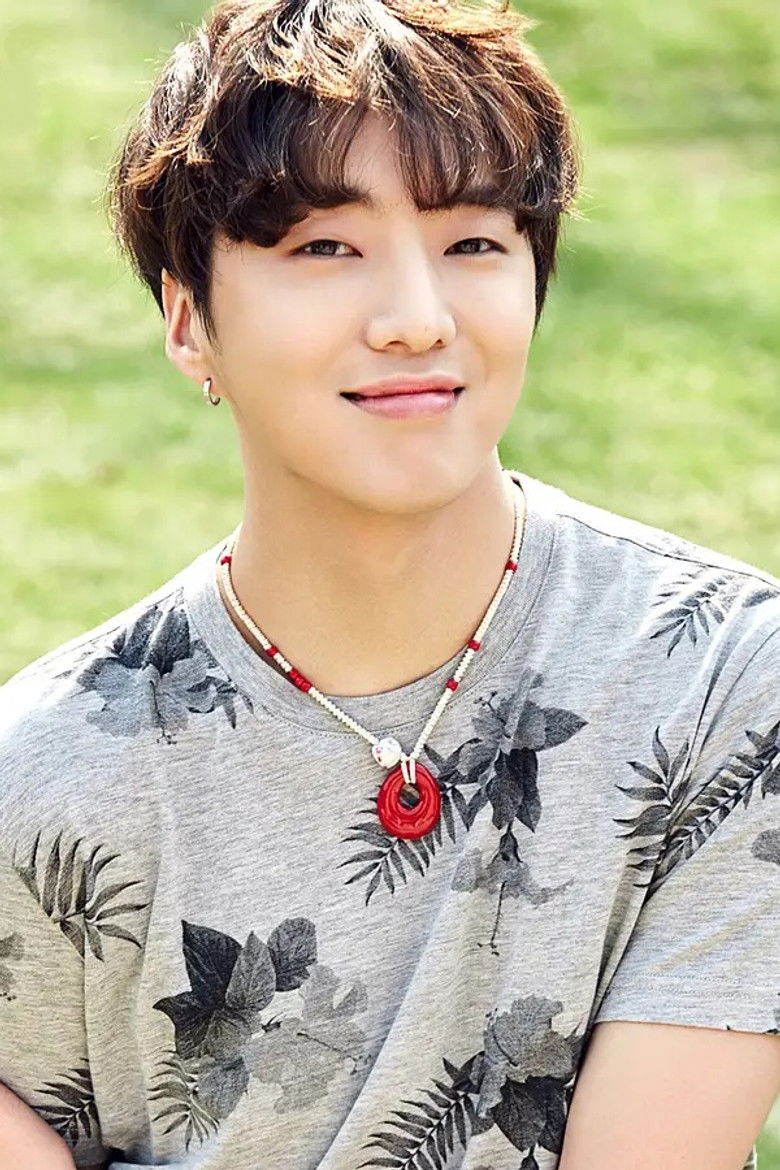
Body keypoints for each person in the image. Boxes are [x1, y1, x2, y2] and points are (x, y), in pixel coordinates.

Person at [1, 0, 779, 1167]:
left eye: (475, 244)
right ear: (189, 323)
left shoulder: (723, 682)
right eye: (324, 248)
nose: (418, 320)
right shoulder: (45, 785)